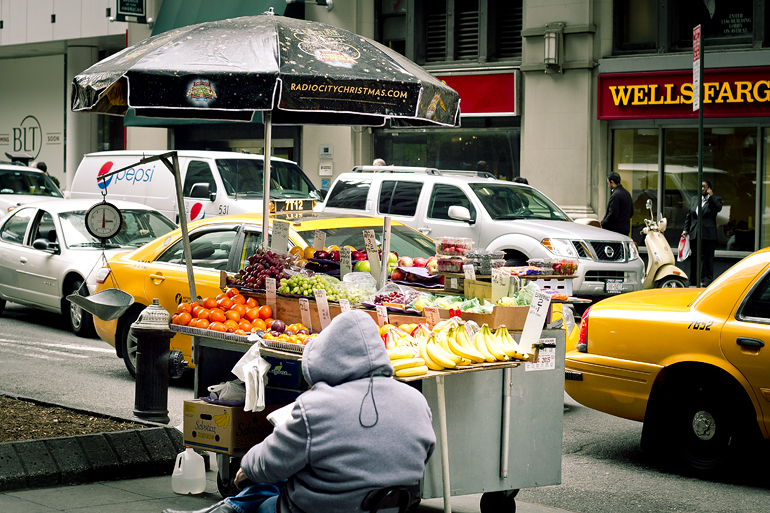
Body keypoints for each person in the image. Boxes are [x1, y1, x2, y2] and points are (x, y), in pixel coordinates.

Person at [163, 310, 435, 513]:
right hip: (391, 508)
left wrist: (245, 470)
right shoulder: (416, 401)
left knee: (265, 488)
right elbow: (424, 454)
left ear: (329, 359)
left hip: (317, 509)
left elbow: (266, 464)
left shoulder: (317, 406)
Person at [682, 180, 722, 286]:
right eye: (701, 187)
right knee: (695, 258)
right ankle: (693, 280)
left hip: (708, 235)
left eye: (705, 187)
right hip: (695, 233)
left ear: (709, 188)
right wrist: (685, 230)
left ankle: (706, 280)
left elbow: (718, 208)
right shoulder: (694, 199)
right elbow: (689, 216)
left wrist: (711, 196)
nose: (702, 189)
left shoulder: (715, 200)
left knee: (708, 259)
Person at [600, 172, 633, 236]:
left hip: (615, 231)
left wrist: (603, 223)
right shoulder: (627, 193)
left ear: (612, 182)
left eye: (608, 183)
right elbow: (631, 212)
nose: (608, 185)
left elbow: (612, 214)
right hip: (625, 229)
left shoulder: (615, 195)